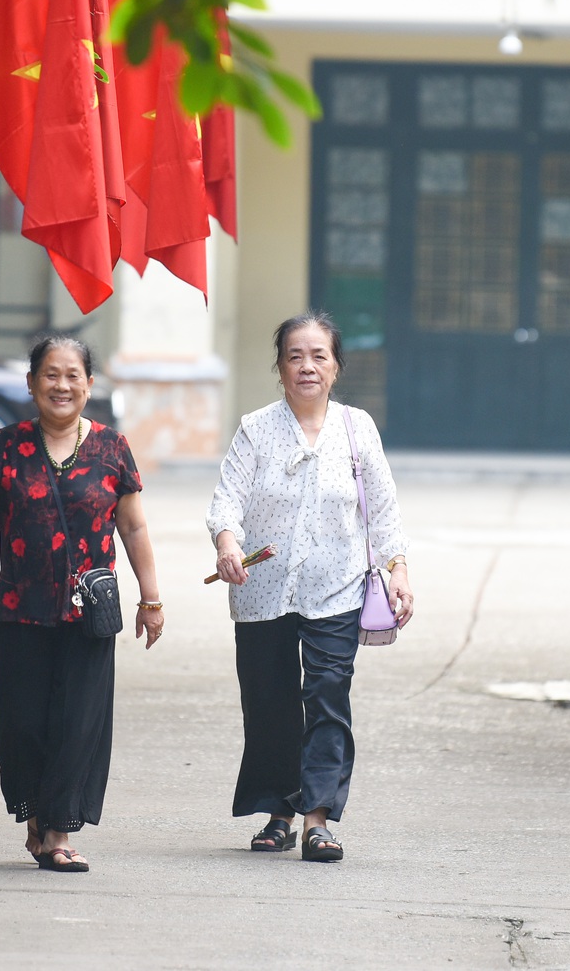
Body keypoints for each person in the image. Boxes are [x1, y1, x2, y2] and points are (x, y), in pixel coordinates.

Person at [0, 335, 164, 874]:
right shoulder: (6, 445)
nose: (61, 385)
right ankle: (36, 821)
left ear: (90, 386)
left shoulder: (113, 448)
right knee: (21, 724)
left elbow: (134, 526)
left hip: (89, 616)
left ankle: (60, 833)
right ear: (31, 383)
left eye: (73, 375)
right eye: (50, 374)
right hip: (21, 608)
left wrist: (151, 599)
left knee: (78, 722)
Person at [207, 310, 413, 864]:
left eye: (319, 355)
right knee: (270, 704)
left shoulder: (357, 428)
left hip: (337, 589)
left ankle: (317, 819)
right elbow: (226, 499)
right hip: (260, 589)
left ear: (336, 367)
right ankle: (279, 812)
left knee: (327, 697)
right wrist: (228, 544)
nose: (307, 366)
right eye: (295, 356)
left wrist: (398, 569)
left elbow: (384, 508)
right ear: (279, 367)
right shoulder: (255, 428)